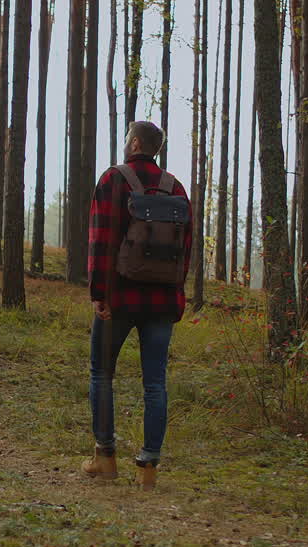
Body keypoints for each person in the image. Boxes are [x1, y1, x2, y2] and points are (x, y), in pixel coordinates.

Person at [81, 121, 193, 490]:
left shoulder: (113, 180)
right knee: (155, 384)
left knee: (102, 374)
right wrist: (176, 297)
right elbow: (185, 253)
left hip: (120, 298)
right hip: (161, 301)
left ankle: (106, 458)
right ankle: (148, 469)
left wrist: (100, 294)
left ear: (134, 143)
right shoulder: (175, 188)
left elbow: (101, 240)